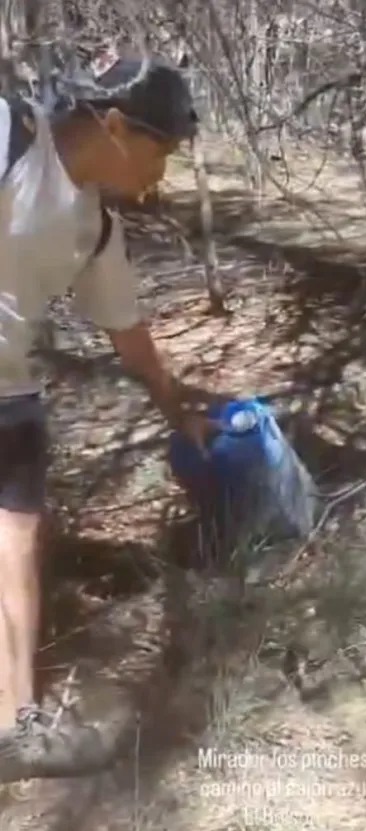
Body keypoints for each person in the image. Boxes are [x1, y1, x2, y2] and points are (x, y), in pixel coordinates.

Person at [0, 54, 212, 735]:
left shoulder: (95, 230)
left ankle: (16, 722)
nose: (161, 175)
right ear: (116, 126)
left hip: (9, 390)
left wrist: (175, 404)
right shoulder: (9, 137)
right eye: (161, 153)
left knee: (18, 535)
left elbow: (128, 331)